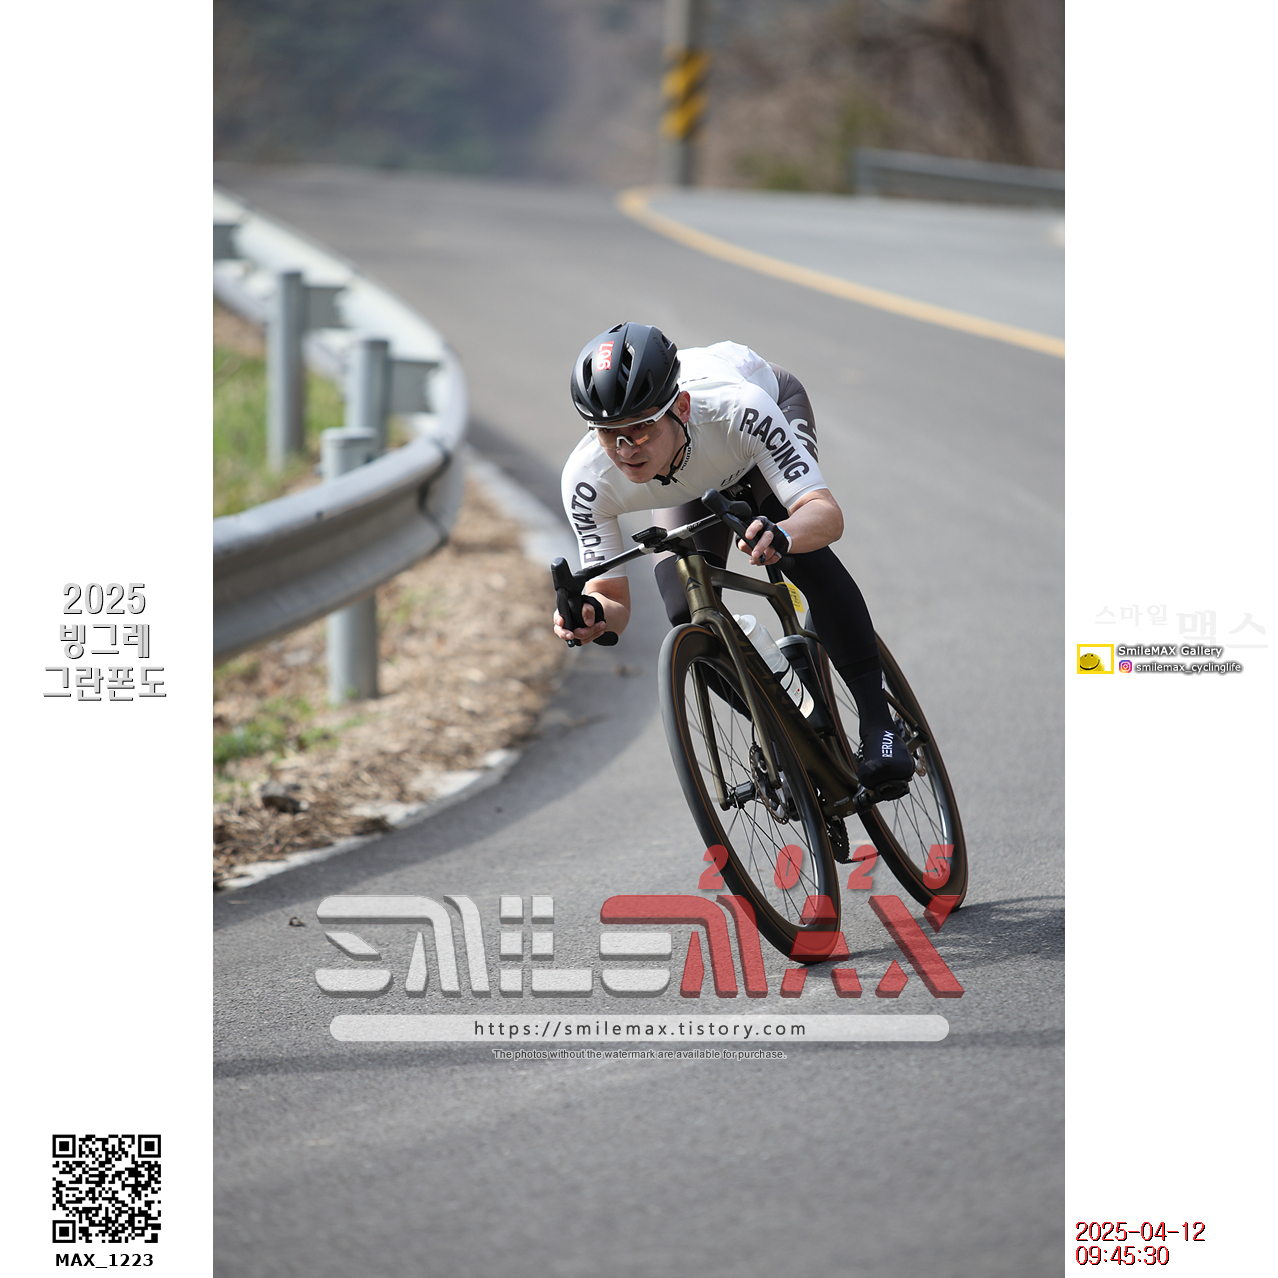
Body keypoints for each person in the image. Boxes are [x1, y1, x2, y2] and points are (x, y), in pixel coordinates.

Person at [552, 321, 913, 788]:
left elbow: (826, 516)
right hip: (691, 478)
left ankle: (879, 725)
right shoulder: (586, 480)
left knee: (802, 557)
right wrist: (592, 614)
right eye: (608, 433)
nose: (625, 449)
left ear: (681, 407)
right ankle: (786, 725)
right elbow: (612, 601)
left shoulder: (740, 408)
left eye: (640, 428)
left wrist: (783, 535)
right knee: (687, 614)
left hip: (753, 433)